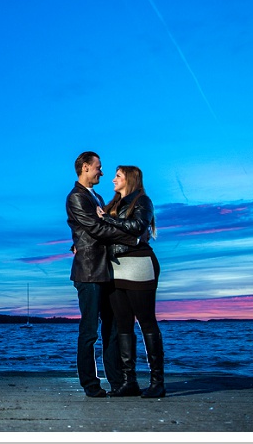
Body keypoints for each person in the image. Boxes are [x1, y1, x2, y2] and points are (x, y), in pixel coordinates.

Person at [66, 151, 141, 398]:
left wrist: (78, 240)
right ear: (86, 167)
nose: (102, 172)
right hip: (89, 272)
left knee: (113, 328)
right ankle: (90, 384)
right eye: (98, 167)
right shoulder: (76, 197)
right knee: (89, 331)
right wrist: (131, 237)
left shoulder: (96, 196)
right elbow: (96, 228)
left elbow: (87, 229)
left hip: (106, 270)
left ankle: (118, 381)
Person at [98, 165, 165, 398]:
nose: (113, 179)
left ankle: (158, 382)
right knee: (123, 325)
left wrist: (108, 220)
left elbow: (138, 228)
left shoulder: (142, 201)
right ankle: (130, 382)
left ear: (130, 178)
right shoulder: (113, 204)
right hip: (116, 269)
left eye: (118, 176)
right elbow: (106, 233)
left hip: (138, 266)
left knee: (147, 323)